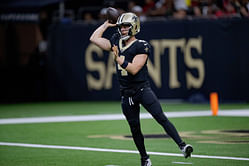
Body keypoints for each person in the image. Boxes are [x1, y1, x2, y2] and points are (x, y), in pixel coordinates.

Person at [89, 12, 193, 166]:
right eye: (121, 26)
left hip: (142, 90)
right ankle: (144, 158)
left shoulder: (141, 45)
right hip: (126, 93)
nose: (123, 29)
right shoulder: (116, 41)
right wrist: (106, 24)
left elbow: (134, 69)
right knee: (135, 128)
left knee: (161, 117)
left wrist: (119, 59)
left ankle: (182, 146)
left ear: (134, 27)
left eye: (126, 26)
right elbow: (94, 39)